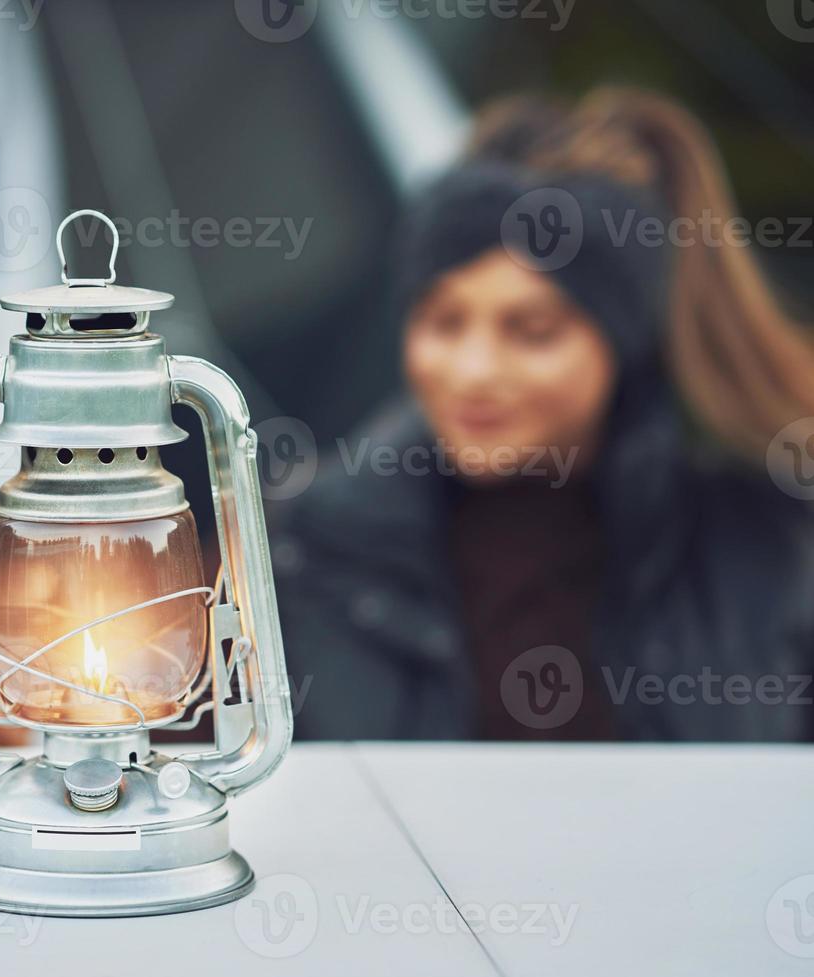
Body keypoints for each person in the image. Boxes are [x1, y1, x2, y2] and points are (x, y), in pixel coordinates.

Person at [276, 88, 814, 741]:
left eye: (531, 331)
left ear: (622, 341)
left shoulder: (764, 543)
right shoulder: (308, 546)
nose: (473, 371)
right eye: (443, 322)